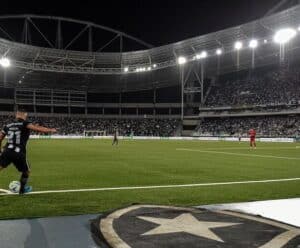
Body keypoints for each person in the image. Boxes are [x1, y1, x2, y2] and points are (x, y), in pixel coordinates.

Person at [0, 108, 57, 194]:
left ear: (16, 115)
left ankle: (22, 189)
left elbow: (0, 138)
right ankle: (22, 190)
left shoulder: (7, 125)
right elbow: (37, 128)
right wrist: (50, 130)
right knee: (26, 171)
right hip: (19, 153)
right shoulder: (25, 123)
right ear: (25, 115)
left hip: (7, 151)